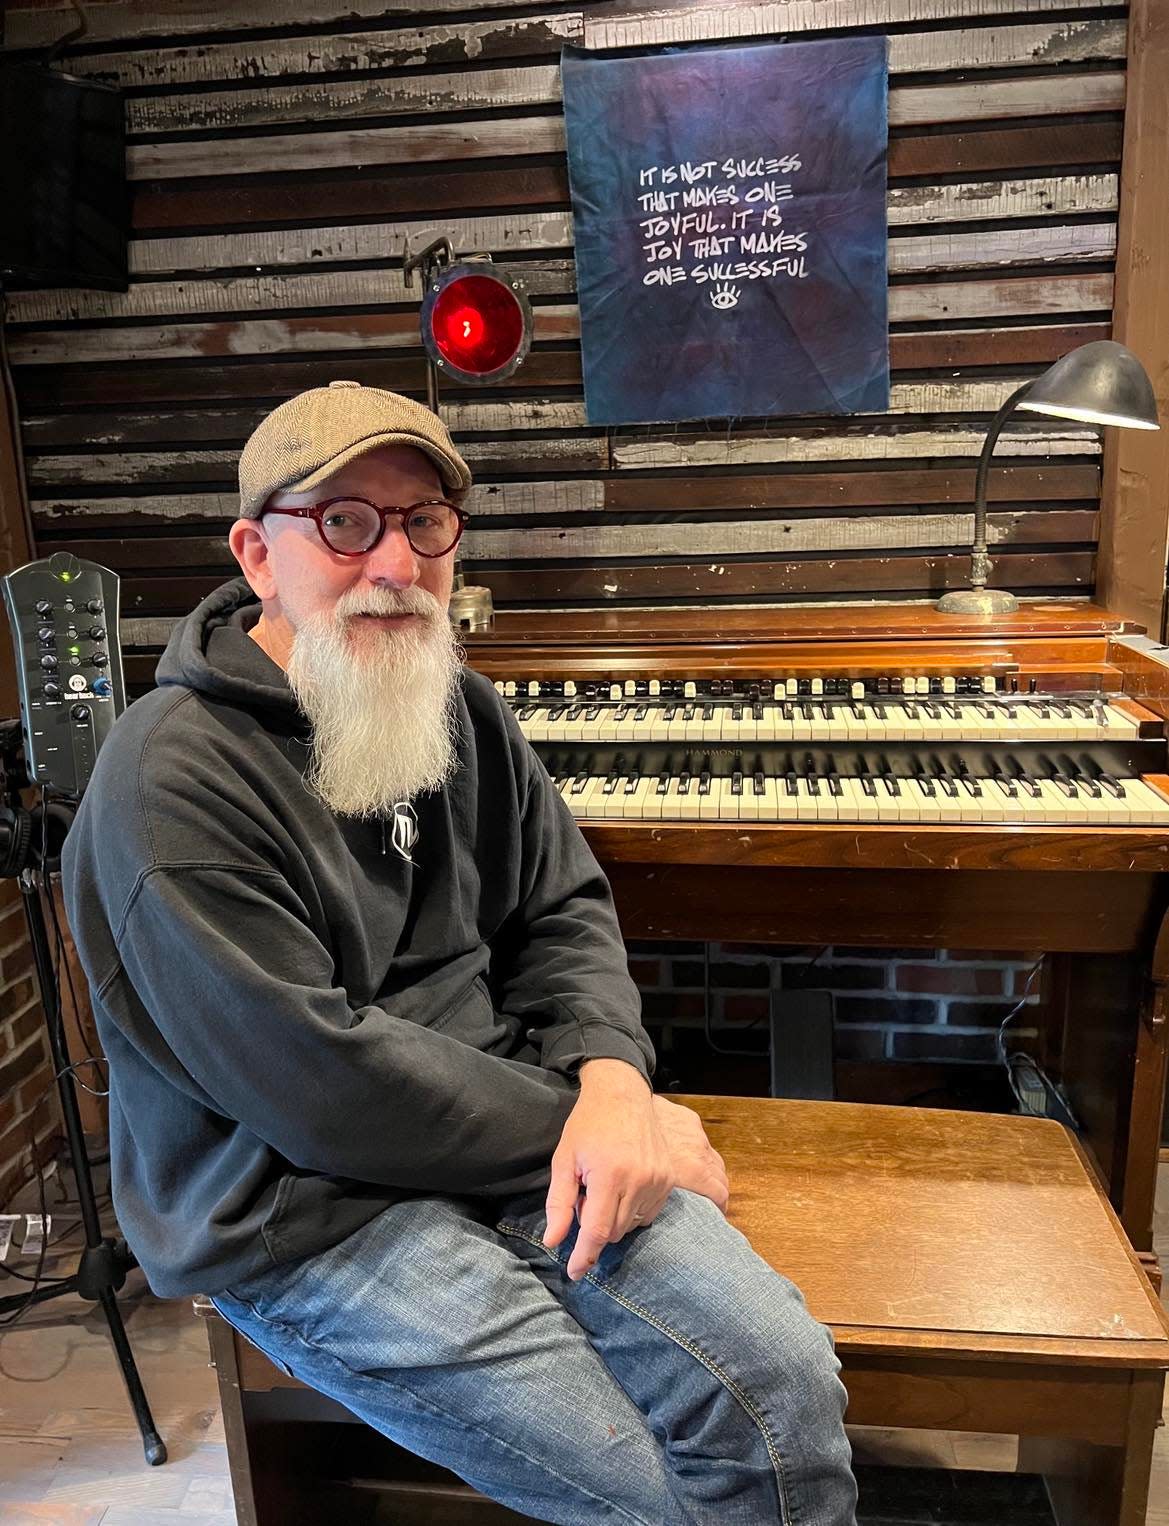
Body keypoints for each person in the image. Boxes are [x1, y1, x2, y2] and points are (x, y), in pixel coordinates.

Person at [62, 381, 856, 1524]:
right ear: (256, 553)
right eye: (345, 521)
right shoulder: (169, 782)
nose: (394, 559)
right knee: (654, 1485)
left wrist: (613, 1080)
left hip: (508, 1127)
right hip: (299, 1202)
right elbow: (320, 1084)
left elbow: (561, 905)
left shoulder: (461, 708)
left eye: (423, 518)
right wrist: (585, 1121)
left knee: (783, 1390)